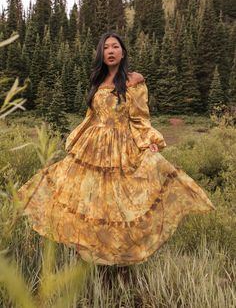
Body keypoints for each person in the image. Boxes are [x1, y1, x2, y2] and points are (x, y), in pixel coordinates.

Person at [17, 32, 215, 266]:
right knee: (87, 199)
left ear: (123, 52)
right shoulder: (97, 83)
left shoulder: (134, 81)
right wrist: (74, 142)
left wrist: (149, 141)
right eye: (106, 48)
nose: (110, 51)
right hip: (91, 148)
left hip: (120, 148)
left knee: (118, 203)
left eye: (115, 47)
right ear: (101, 54)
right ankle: (90, 255)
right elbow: (90, 118)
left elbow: (141, 118)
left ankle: (118, 258)